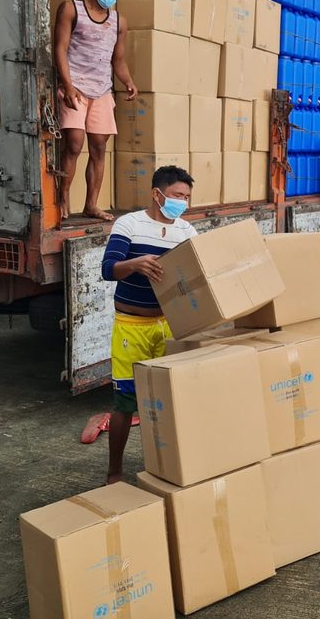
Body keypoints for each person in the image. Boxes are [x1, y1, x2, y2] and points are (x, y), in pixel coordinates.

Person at [100, 165, 196, 484]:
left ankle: (166, 465)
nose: (182, 202)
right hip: (132, 327)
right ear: (157, 194)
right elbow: (109, 269)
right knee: (125, 402)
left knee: (171, 400)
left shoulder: (186, 232)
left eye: (186, 197)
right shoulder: (129, 224)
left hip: (168, 326)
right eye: (177, 196)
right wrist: (135, 264)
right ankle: (115, 472)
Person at [54, 0, 138, 221]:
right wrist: (67, 85)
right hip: (75, 87)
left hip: (102, 90)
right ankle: (62, 201)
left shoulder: (119, 22)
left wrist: (128, 81)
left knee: (99, 147)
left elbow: (118, 59)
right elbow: (60, 48)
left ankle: (91, 204)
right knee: (74, 144)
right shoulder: (71, 9)